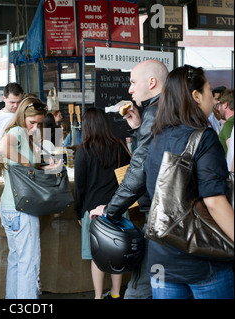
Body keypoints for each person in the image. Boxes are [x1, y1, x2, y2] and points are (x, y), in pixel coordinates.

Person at [145, 65, 234, 299]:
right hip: (203, 260)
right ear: (196, 96)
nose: (211, 98)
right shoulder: (203, 138)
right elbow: (214, 201)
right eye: (208, 90)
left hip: (161, 258)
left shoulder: (156, 136)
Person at [90, 59, 169, 299]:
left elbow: (139, 171)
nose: (130, 89)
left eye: (134, 82)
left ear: (152, 82)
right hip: (176, 217)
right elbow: (157, 160)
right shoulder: (170, 109)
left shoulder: (155, 112)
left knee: (138, 291)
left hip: (161, 219)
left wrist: (110, 212)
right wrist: (137, 128)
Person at [0, 96, 62, 299]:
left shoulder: (23, 134)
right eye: (32, 122)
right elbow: (2, 148)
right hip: (22, 209)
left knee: (17, 261)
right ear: (22, 116)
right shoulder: (17, 131)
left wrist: (44, 165)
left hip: (10, 207)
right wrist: (27, 162)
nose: (35, 127)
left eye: (39, 124)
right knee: (29, 264)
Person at [74, 108, 131, 299]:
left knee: (97, 257)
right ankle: (115, 293)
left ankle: (98, 296)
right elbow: (128, 178)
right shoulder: (119, 146)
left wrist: (78, 213)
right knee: (117, 255)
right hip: (118, 209)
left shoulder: (83, 151)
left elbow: (79, 187)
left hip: (93, 212)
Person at [0, 83, 23, 154]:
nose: (16, 105)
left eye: (18, 102)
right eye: (12, 102)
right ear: (4, 99)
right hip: (6, 162)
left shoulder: (25, 114)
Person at [216, 89, 234, 155]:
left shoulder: (229, 124)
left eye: (218, 105)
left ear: (225, 105)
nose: (218, 109)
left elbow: (232, 153)